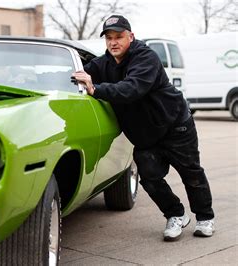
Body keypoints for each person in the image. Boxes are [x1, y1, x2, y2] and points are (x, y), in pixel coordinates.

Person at [71, 15, 215, 241]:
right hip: (146, 135)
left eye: (119, 36)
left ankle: (205, 217)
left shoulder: (145, 57)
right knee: (149, 178)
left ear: (131, 36)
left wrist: (95, 89)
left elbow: (132, 89)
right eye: (109, 38)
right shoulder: (104, 63)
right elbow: (78, 74)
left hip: (176, 127)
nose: (113, 42)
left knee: (191, 173)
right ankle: (176, 214)